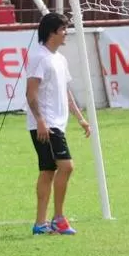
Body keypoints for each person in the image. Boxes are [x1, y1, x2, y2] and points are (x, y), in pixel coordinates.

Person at [25, 12, 90, 235]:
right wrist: (41, 121)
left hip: (56, 124)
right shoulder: (39, 57)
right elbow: (31, 93)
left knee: (47, 170)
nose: (66, 34)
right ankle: (58, 219)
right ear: (52, 32)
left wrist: (80, 118)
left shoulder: (60, 59)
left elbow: (65, 91)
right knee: (67, 166)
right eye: (63, 29)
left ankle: (40, 224)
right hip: (46, 125)